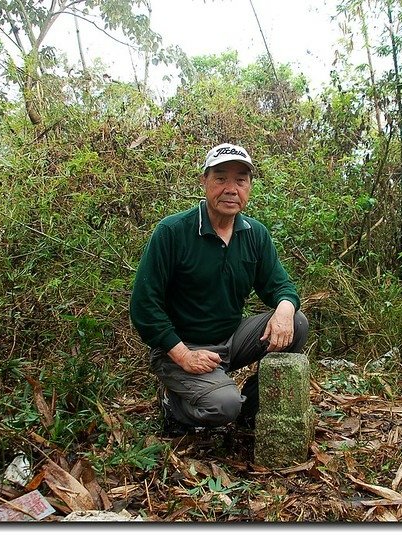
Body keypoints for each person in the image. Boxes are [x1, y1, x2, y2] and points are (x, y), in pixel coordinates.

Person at [129, 142, 309, 435]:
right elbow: (144, 306)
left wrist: (285, 309)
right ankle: (173, 404)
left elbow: (281, 286)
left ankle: (251, 406)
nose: (231, 188)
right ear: (204, 181)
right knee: (222, 405)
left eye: (240, 180)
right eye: (221, 178)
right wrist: (184, 356)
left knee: (297, 323)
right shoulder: (173, 232)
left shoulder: (254, 234)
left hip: (230, 338)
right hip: (181, 347)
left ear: (249, 186)